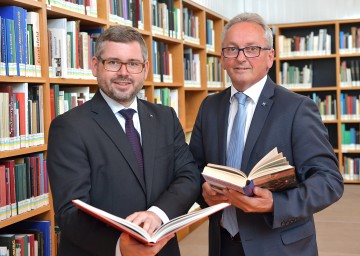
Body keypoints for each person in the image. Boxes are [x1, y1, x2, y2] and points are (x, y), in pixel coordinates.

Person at [189, 12, 344, 256]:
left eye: (252, 49)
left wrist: (276, 204)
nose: (241, 58)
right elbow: (193, 167)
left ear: (270, 57)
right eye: (232, 49)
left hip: (278, 245)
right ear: (222, 58)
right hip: (222, 243)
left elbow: (329, 181)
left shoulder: (297, 109)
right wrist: (202, 190)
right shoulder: (209, 107)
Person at [47, 25, 200, 256]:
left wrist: (157, 214)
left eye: (133, 63)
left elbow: (188, 177)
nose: (124, 72)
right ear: (95, 65)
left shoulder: (165, 117)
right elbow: (70, 211)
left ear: (145, 68)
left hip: (163, 249)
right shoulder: (69, 126)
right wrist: (120, 246)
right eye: (113, 62)